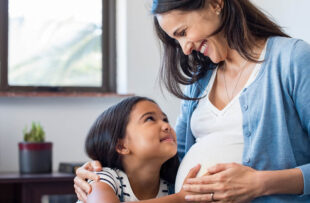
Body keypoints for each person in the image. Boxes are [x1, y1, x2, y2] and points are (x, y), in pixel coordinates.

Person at [74, 0, 310, 202]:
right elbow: (172, 160)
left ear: (216, 3)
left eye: (183, 32)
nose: (185, 49)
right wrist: (101, 174)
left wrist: (260, 183)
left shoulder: (291, 60)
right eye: (175, 40)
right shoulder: (199, 82)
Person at [76, 96, 200, 202]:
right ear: (122, 146)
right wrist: (180, 199)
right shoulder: (103, 178)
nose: (166, 125)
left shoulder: (169, 186)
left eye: (165, 119)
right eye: (150, 119)